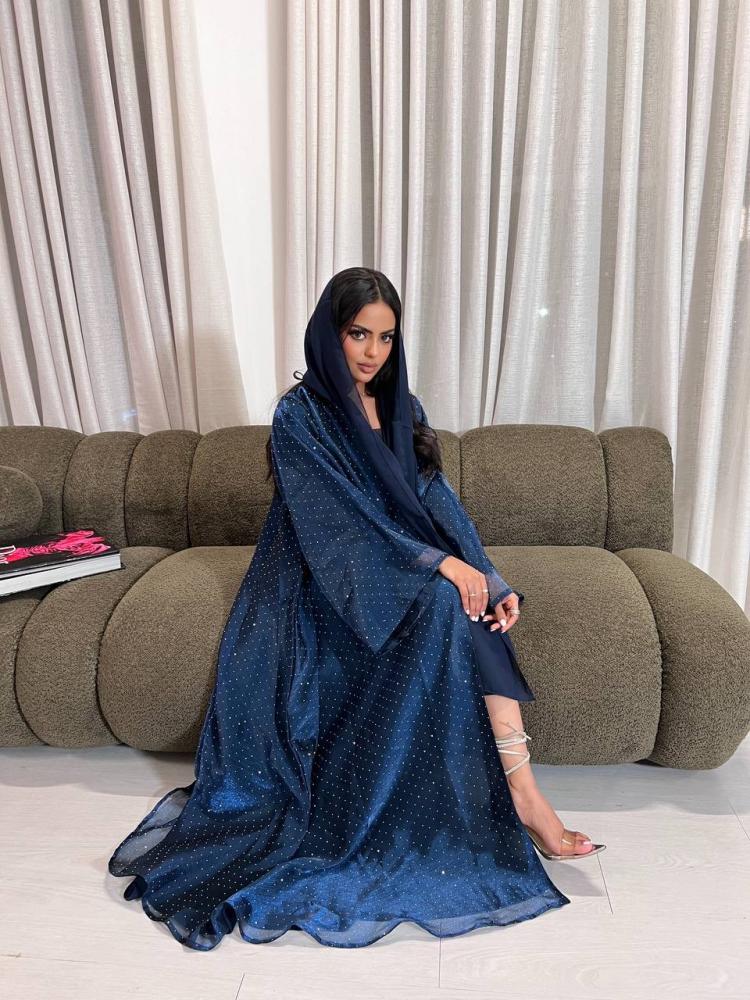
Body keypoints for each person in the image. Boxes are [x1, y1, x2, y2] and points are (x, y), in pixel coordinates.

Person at [108, 266, 604, 950]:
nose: (372, 352)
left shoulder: (403, 406)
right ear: (328, 333)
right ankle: (526, 800)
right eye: (358, 334)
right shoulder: (300, 416)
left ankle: (524, 795)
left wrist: (488, 577)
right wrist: (436, 564)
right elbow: (335, 522)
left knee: (467, 603)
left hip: (395, 562)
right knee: (443, 600)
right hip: (317, 578)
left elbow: (435, 501)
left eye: (386, 337)